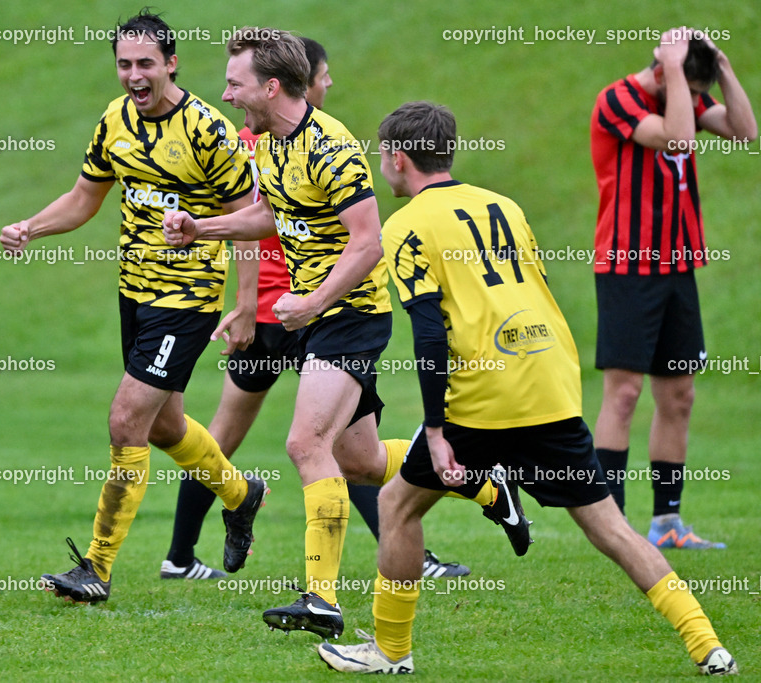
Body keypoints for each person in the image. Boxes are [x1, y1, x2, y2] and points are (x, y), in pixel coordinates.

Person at [317, 100, 737, 676]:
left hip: (484, 396)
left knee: (396, 505)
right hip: (549, 381)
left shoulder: (406, 225)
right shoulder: (504, 206)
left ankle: (390, 652)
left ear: (397, 158)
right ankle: (707, 642)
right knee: (610, 527)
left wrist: (437, 432)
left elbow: (430, 331)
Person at [164, 28, 528, 640]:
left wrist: (313, 302)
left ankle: (321, 599)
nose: (225, 93)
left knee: (306, 445)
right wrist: (202, 227)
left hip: (350, 316)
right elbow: (270, 215)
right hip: (318, 317)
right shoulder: (266, 143)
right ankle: (488, 487)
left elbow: (368, 242)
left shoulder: (331, 148)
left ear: (270, 86)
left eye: (234, 82)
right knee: (358, 461)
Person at [0, 9, 268, 605]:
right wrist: (31, 228)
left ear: (171, 63)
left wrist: (245, 305)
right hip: (135, 293)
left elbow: (253, 221)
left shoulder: (208, 130)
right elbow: (82, 198)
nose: (133, 75)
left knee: (127, 420)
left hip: (187, 299)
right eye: (124, 64)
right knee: (167, 425)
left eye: (145, 63)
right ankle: (240, 494)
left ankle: (96, 566)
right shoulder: (114, 121)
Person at [591, 28, 756, 549]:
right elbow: (680, 139)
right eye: (682, 83)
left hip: (677, 265)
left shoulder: (684, 91)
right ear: (661, 70)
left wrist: (722, 67)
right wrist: (677, 70)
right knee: (624, 393)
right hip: (626, 264)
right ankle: (611, 523)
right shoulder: (617, 98)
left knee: (679, 395)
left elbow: (746, 132)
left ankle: (667, 524)